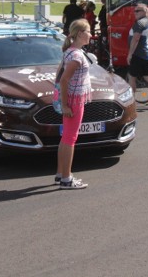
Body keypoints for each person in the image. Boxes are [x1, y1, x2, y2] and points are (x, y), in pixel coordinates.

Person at [54, 19, 93, 190]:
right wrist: (65, 105)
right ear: (79, 34)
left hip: (72, 99)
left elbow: (58, 76)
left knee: (66, 138)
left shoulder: (70, 52)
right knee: (70, 139)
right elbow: (63, 80)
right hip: (74, 101)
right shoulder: (77, 56)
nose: (91, 34)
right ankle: (66, 179)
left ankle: (60, 174)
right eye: (88, 31)